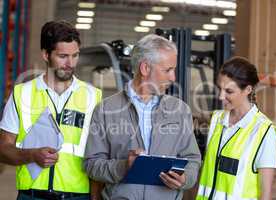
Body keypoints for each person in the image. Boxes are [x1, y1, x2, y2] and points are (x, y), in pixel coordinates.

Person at [84, 34, 201, 200]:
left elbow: (192, 159)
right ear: (145, 68)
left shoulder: (180, 110)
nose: (173, 78)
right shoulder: (105, 110)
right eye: (167, 70)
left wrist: (185, 179)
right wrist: (124, 166)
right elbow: (92, 164)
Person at [0, 20, 102, 200]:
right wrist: (31, 155)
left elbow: (101, 154)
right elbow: (3, 149)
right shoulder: (21, 94)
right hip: (31, 196)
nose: (70, 63)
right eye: (63, 56)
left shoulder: (94, 97)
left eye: (75, 55)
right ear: (46, 55)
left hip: (78, 196)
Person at [196, 57, 276, 200]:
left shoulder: (265, 131)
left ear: (248, 89)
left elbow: (266, 194)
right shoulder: (217, 119)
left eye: (229, 91)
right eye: (220, 89)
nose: (221, 97)